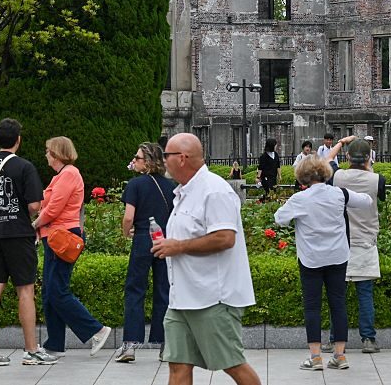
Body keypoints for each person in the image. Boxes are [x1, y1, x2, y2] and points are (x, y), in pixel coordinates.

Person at [152, 133, 261, 385]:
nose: (163, 160)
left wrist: (178, 246)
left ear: (182, 158)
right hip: (181, 299)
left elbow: (224, 238)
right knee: (177, 366)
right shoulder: (184, 192)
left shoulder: (214, 191)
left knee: (232, 364)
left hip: (213, 298)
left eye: (166, 155)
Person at [0, 118, 54, 367]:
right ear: (18, 140)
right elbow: (34, 205)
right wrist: (19, 213)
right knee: (25, 290)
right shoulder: (25, 167)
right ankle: (30, 350)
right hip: (18, 235)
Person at [274, 157, 371, 370]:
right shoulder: (339, 194)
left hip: (311, 259)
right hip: (338, 256)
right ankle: (340, 356)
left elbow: (279, 219)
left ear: (302, 176)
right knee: (338, 304)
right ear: (325, 173)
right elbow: (366, 201)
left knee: (312, 306)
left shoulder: (300, 198)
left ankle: (316, 357)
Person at [32, 137, 111, 357]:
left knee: (57, 290)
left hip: (62, 236)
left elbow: (54, 208)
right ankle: (54, 344)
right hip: (55, 236)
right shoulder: (63, 175)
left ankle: (97, 329)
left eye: (48, 151)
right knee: (50, 291)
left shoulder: (68, 174)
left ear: (57, 153)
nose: (46, 154)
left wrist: (35, 225)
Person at [114, 142, 175, 363]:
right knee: (163, 291)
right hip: (165, 241)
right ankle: (164, 345)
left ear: (148, 161)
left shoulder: (135, 185)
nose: (135, 160)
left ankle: (130, 344)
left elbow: (129, 216)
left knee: (135, 290)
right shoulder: (171, 186)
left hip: (142, 238)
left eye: (138, 158)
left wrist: (125, 232)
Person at [331, 138, 386, 353]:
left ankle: (335, 339)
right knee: (365, 294)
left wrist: (341, 142)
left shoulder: (337, 177)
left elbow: (325, 162)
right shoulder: (377, 180)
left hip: (340, 243)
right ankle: (368, 339)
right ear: (369, 158)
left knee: (338, 296)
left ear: (346, 157)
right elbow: (381, 196)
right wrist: (369, 168)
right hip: (365, 242)